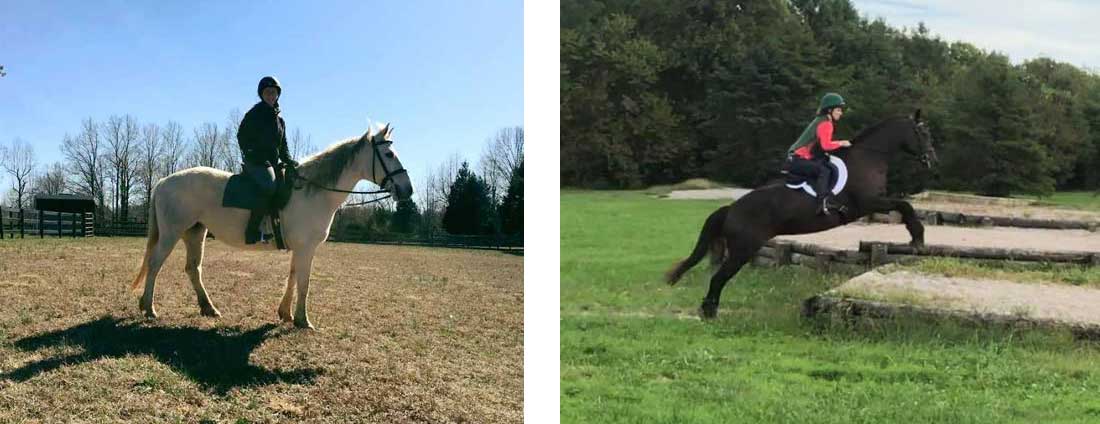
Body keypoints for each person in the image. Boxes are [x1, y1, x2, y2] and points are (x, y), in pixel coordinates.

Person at [237, 75, 299, 244]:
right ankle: (252, 232)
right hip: (255, 161)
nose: (271, 95)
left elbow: (283, 146)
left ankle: (276, 227)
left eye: (273, 92)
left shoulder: (280, 121)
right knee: (269, 184)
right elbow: (241, 136)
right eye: (267, 92)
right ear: (262, 95)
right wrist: (252, 153)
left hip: (272, 163)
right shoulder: (255, 113)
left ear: (277, 94)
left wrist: (290, 161)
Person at [785, 92, 852, 215]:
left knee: (826, 166)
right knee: (824, 171)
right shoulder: (826, 123)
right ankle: (823, 203)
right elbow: (826, 145)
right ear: (829, 110)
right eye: (838, 110)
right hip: (797, 160)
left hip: (797, 158)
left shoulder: (821, 120)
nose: (841, 113)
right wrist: (841, 143)